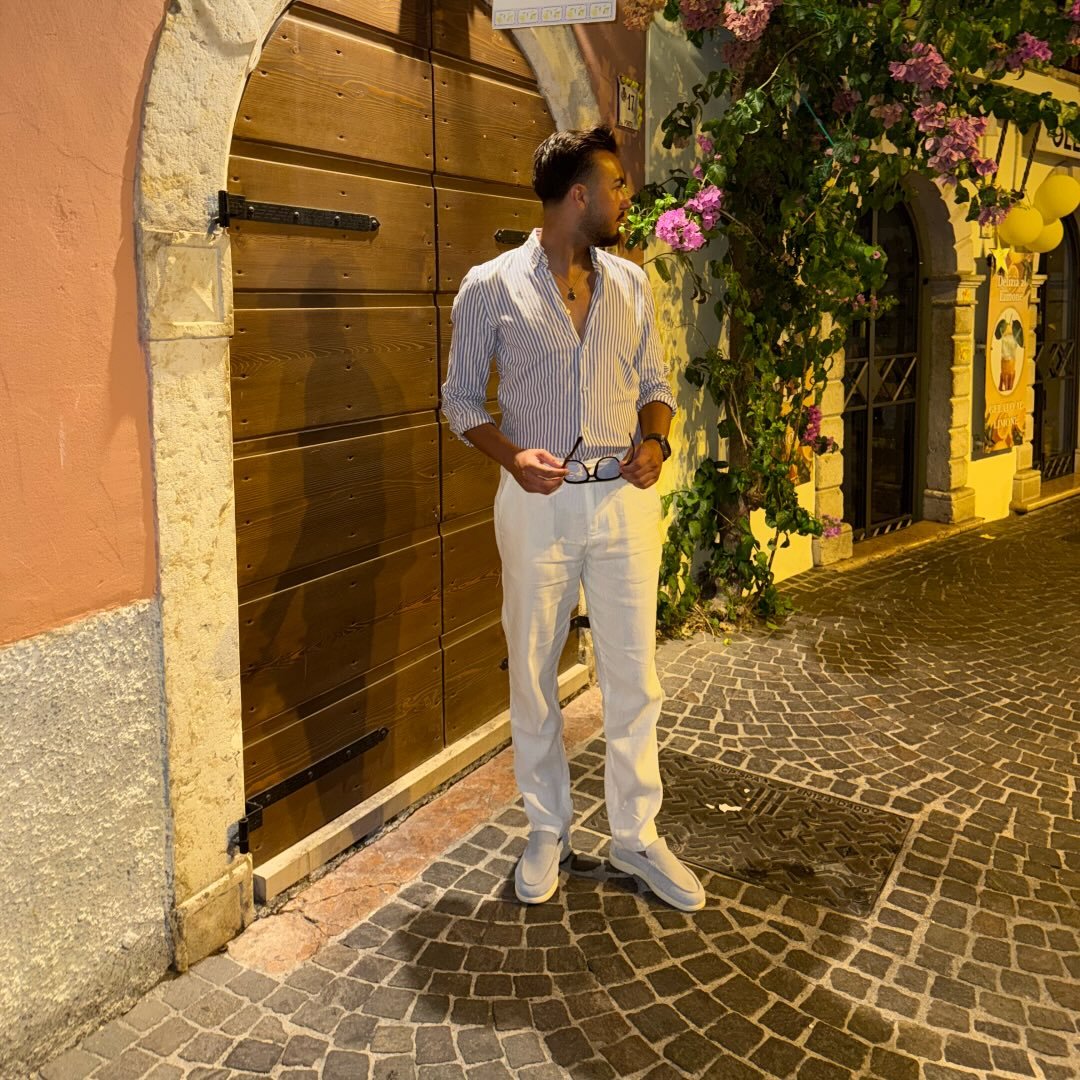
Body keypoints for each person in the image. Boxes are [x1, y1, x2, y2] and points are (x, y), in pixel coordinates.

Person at [440, 126, 705, 913]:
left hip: (623, 501)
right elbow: (459, 401)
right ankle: (547, 829)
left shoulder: (630, 284)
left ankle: (636, 835)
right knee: (533, 673)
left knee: (634, 675)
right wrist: (511, 456)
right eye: (617, 185)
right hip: (537, 503)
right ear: (579, 194)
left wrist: (655, 439)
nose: (627, 198)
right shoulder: (490, 287)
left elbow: (656, 382)